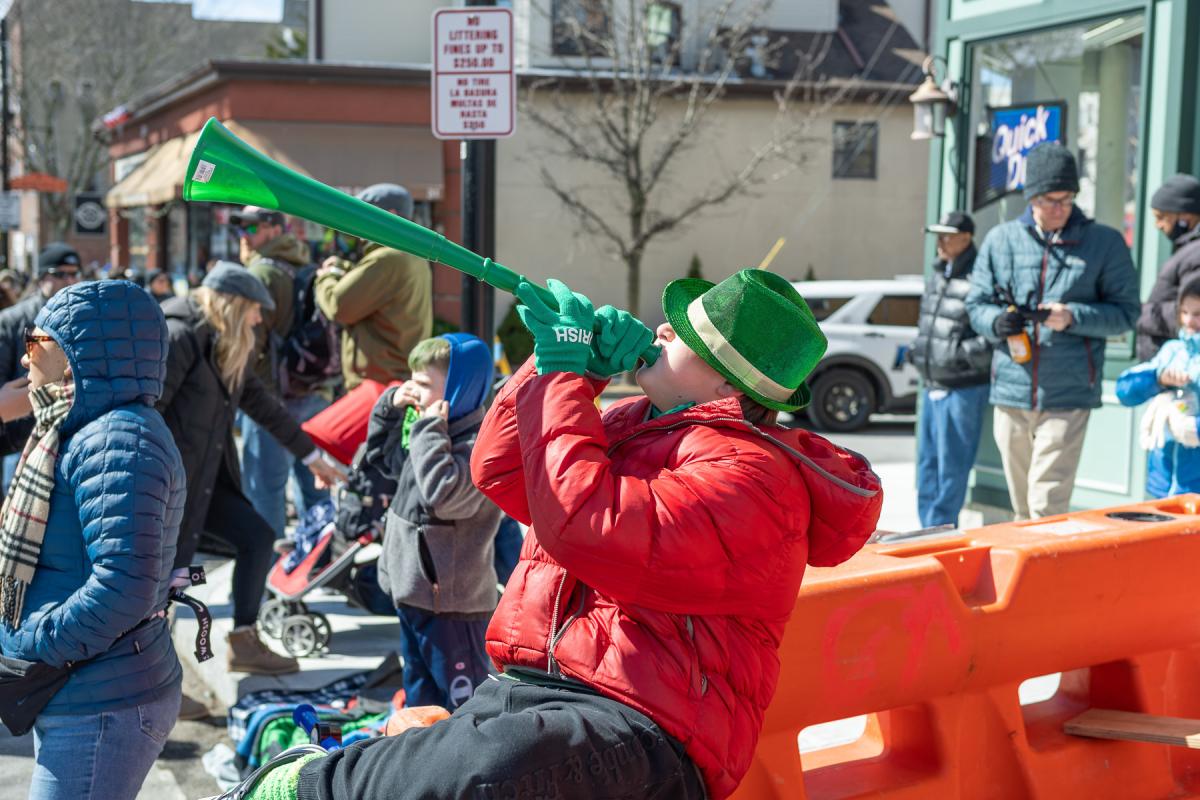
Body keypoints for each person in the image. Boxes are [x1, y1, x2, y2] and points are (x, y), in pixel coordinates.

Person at [225, 268, 883, 800]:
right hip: (545, 689)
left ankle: (299, 785)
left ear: (725, 381)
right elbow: (502, 471)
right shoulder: (635, 421)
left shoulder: (754, 474)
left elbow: (583, 525)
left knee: (486, 766)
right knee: (449, 749)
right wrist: (557, 368)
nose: (658, 328)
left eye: (681, 333)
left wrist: (569, 378)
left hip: (648, 727)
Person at [0, 281, 185, 800]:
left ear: (78, 350)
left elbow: (124, 584)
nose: (24, 355)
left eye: (36, 343)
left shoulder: (118, 439)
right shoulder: (78, 427)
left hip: (100, 698)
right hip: (80, 688)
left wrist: (39, 643)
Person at [157, 263, 342, 682]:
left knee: (257, 538)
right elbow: (147, 414)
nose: (259, 320)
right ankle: (153, 684)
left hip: (205, 484)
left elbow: (264, 407)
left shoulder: (225, 345)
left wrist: (313, 458)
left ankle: (243, 640)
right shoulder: (181, 336)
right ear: (234, 305)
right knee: (163, 587)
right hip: (169, 488)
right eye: (256, 310)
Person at [966, 142, 1140, 520]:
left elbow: (1127, 313)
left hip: (1069, 392)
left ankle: (1043, 574)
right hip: (1011, 389)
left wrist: (1074, 317)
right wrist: (996, 322)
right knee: (1021, 506)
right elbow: (975, 305)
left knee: (1046, 505)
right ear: (1031, 198)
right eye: (1049, 200)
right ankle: (1028, 574)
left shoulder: (1105, 243)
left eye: (1067, 198)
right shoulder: (1000, 240)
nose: (1059, 208)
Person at [368, 333, 501, 710]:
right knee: (421, 699)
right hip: (414, 595)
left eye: (424, 384)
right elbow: (383, 463)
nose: (414, 393)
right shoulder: (430, 431)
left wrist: (427, 430)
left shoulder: (478, 445)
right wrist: (390, 411)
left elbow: (445, 498)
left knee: (463, 704)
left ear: (459, 388)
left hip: (451, 607)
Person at [231, 206, 330, 540]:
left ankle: (266, 571)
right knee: (316, 486)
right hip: (314, 390)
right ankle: (314, 564)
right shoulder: (305, 264)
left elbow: (246, 343)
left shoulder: (261, 274)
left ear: (274, 230)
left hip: (272, 397)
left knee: (264, 491)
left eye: (249, 228)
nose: (242, 236)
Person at [909, 210, 990, 527]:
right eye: (937, 235)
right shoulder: (938, 273)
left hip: (963, 387)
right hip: (932, 383)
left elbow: (991, 335)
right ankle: (925, 529)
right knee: (928, 462)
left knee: (951, 465)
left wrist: (955, 355)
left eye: (947, 235)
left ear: (966, 239)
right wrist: (919, 351)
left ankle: (940, 530)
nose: (940, 242)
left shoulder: (980, 277)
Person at [316, 183, 433, 390]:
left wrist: (326, 277)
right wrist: (343, 267)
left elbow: (338, 305)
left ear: (390, 215)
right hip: (393, 380)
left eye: (364, 214)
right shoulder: (410, 255)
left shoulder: (388, 258)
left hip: (379, 386)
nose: (357, 223)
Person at [1118, 279, 1200, 497]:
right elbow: (1125, 391)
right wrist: (1159, 380)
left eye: (1198, 314)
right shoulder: (1172, 350)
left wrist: (1196, 428)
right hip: (1162, 484)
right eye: (1184, 312)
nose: (1189, 321)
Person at [1136, 174, 1200, 360]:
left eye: (1162, 217)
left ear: (1184, 217)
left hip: (1178, 369)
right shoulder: (1188, 250)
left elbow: (1191, 310)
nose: (1158, 225)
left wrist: (1144, 313)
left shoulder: (1195, 254)